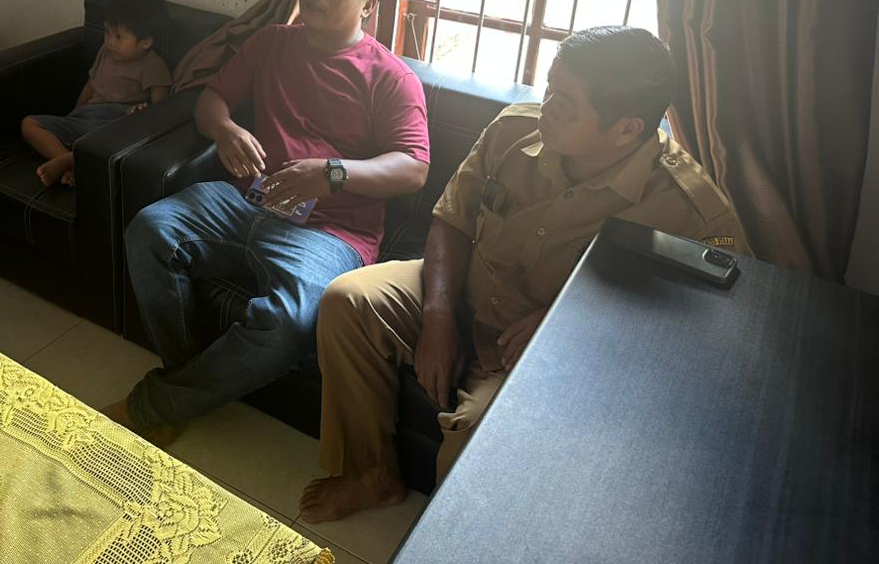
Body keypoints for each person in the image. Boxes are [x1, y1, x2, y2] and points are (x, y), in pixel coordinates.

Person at [298, 26, 750, 523]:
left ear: (626, 129)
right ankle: (371, 474)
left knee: (480, 436)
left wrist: (569, 323)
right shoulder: (515, 129)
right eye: (550, 88)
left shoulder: (693, 214)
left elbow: (696, 341)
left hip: (549, 356)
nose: (547, 107)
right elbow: (452, 219)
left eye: (565, 104)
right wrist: (438, 316)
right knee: (348, 300)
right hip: (467, 290)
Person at [106, 0, 431, 444]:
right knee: (149, 229)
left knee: (291, 320)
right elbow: (211, 100)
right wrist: (225, 129)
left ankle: (160, 404)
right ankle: (188, 383)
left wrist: (332, 173)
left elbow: (413, 167)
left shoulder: (390, 77)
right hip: (245, 200)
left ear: (368, 6)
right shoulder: (272, 42)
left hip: (331, 233)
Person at [21, 0, 171, 187]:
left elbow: (161, 112)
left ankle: (71, 160)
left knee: (119, 139)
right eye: (107, 32)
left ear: (145, 42)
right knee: (29, 124)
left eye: (119, 37)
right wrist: (74, 115)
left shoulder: (153, 65)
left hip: (116, 122)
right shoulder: (105, 52)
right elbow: (90, 86)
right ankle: (70, 163)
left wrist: (140, 113)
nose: (110, 41)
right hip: (87, 118)